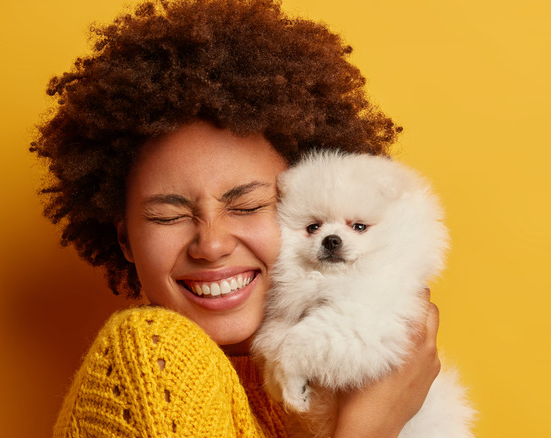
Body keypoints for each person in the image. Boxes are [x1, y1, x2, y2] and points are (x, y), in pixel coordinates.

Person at [30, 0, 441, 436]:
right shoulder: (152, 356)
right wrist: (373, 420)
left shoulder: (323, 372)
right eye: (169, 216)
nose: (211, 244)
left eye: (247, 207)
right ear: (125, 240)